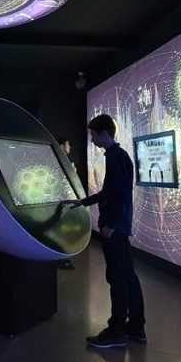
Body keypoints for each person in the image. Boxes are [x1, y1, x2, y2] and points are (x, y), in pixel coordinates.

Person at [60, 114, 146, 349]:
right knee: (127, 276)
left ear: (104, 133)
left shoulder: (116, 158)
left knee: (117, 278)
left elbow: (119, 196)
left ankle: (117, 331)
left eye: (93, 135)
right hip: (119, 228)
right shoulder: (118, 156)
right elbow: (110, 192)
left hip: (115, 229)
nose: (92, 140)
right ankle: (136, 327)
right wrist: (83, 203)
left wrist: (112, 225)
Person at [56, 137, 76, 271]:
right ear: (62, 146)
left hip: (66, 200)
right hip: (62, 200)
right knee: (61, 229)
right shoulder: (60, 161)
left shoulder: (64, 161)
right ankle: (62, 258)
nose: (70, 147)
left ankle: (64, 257)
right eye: (68, 144)